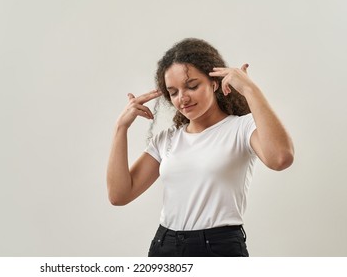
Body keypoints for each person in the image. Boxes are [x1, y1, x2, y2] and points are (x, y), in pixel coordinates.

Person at [106, 38, 294, 257]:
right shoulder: (167, 139)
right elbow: (119, 195)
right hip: (164, 246)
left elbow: (281, 158)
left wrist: (250, 90)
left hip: (218, 248)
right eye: (173, 92)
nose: (182, 98)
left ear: (214, 83)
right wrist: (121, 128)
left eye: (192, 86)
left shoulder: (241, 127)